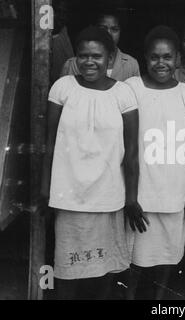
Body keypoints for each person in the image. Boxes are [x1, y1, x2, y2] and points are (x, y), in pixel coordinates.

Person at [40, 26, 139, 299]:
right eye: (83, 55)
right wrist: (46, 188)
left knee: (104, 271)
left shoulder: (124, 94)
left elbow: (131, 152)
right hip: (69, 196)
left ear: (110, 58)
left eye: (97, 55)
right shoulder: (63, 87)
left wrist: (131, 198)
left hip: (108, 197)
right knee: (68, 269)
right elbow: (50, 143)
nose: (89, 61)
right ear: (75, 58)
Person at [125, 25, 185, 300]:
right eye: (155, 57)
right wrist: (129, 194)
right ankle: (130, 295)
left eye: (167, 57)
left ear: (177, 58)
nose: (161, 63)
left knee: (168, 249)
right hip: (141, 187)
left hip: (174, 187)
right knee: (135, 251)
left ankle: (159, 298)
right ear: (145, 57)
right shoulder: (131, 89)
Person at [61, 10, 140, 81]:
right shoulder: (72, 64)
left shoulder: (131, 64)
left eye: (114, 29)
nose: (109, 33)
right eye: (103, 28)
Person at [51, 0, 74, 84]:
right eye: (57, 11)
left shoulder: (64, 34)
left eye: (64, 13)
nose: (61, 16)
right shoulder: (40, 37)